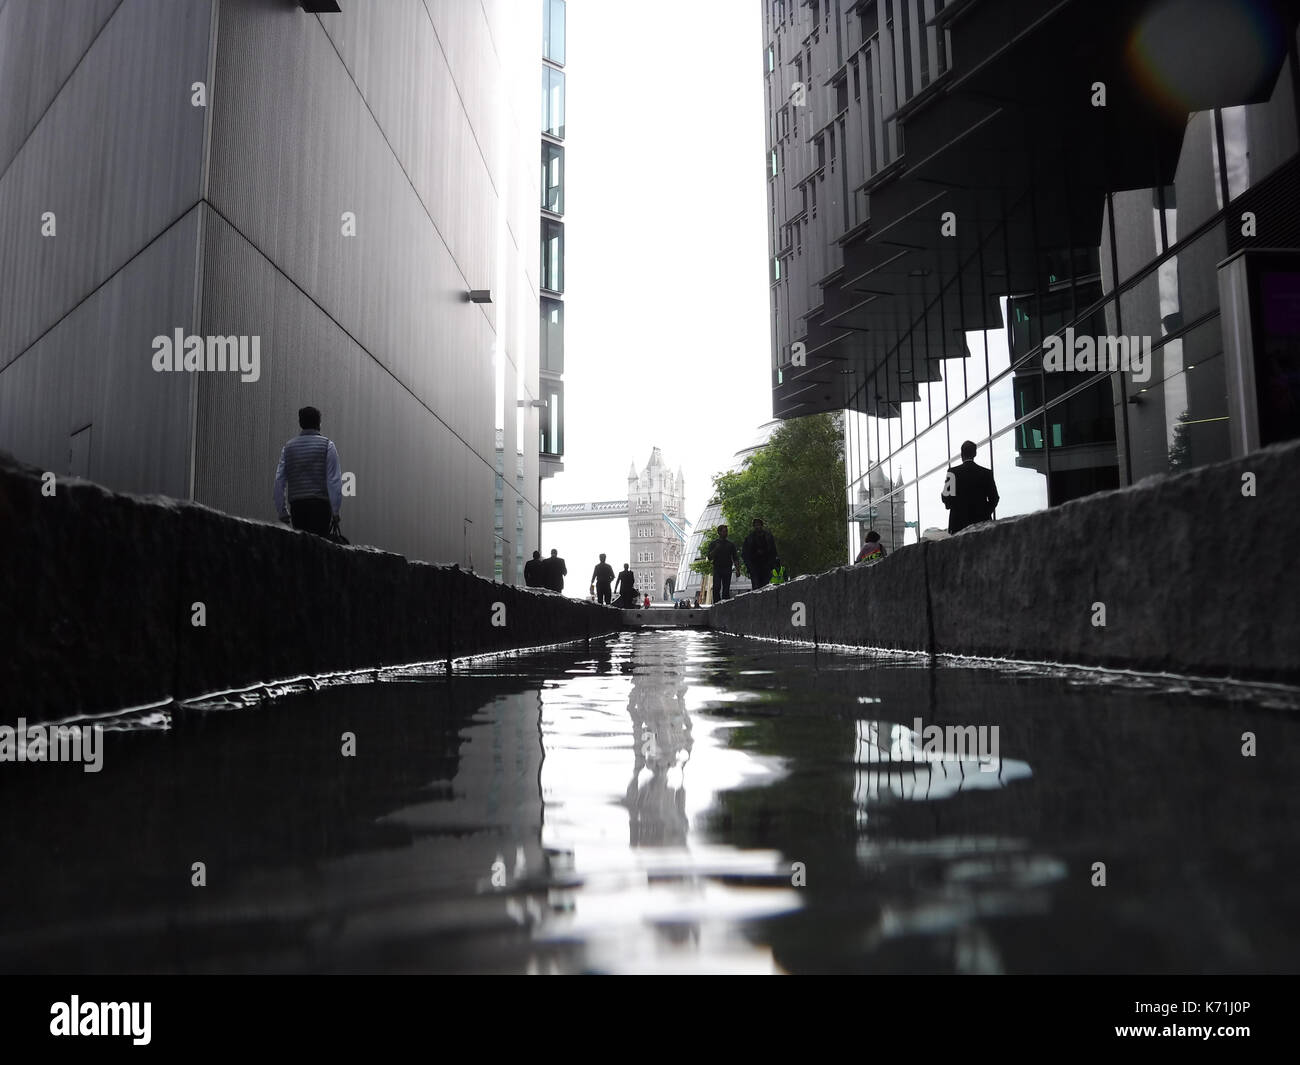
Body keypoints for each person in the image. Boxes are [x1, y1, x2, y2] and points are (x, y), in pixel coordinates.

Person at [274, 405, 342, 537]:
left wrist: (282, 511)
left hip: (297, 506)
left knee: (302, 548)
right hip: (320, 506)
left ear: (300, 423)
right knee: (319, 548)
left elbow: (279, 480)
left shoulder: (288, 447)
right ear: (319, 424)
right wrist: (335, 511)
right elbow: (334, 480)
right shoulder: (328, 445)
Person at [941, 440, 1000, 534]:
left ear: (961, 454)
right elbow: (995, 498)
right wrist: (985, 513)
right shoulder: (986, 473)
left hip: (958, 524)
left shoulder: (953, 472)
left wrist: (953, 507)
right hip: (981, 524)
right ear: (975, 454)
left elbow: (946, 496)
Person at [707, 524, 742, 603]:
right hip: (717, 568)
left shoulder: (730, 544)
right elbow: (709, 557)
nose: (726, 533)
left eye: (726, 531)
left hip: (727, 568)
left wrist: (737, 570)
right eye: (724, 531)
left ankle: (725, 604)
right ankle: (716, 604)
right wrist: (716, 549)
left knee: (726, 589)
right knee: (716, 587)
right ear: (719, 532)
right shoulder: (714, 544)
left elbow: (735, 557)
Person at [742, 517, 780, 589]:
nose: (757, 527)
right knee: (756, 586)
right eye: (755, 525)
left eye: (758, 525)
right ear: (753, 526)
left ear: (762, 525)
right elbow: (745, 554)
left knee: (765, 586)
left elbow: (773, 551)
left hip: (766, 565)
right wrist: (749, 566)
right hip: (754, 566)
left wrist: (772, 564)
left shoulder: (768, 536)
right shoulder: (749, 538)